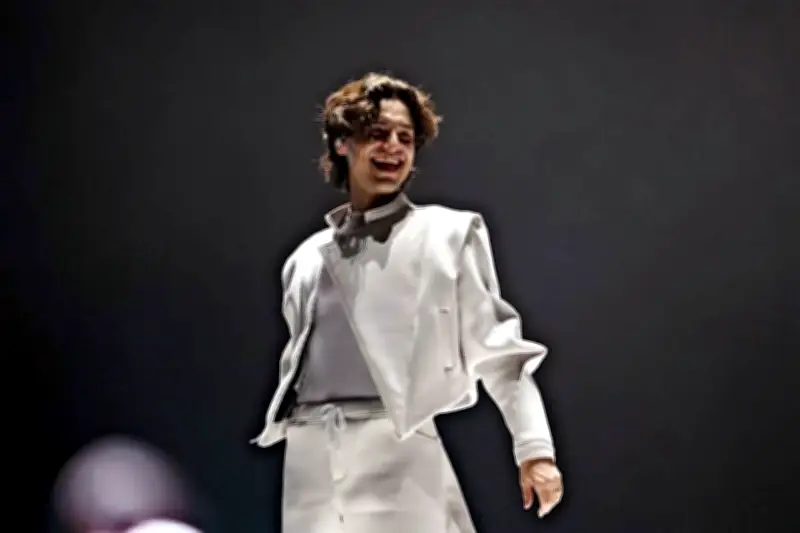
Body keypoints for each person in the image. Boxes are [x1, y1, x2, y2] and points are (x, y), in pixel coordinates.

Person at [252, 72, 564, 533]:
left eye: (406, 138)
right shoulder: (305, 259)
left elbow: (500, 353)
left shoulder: (446, 234)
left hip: (395, 450)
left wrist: (535, 450)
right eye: (378, 134)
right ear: (342, 143)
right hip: (309, 456)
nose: (393, 148)